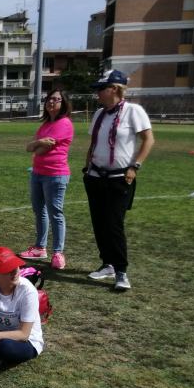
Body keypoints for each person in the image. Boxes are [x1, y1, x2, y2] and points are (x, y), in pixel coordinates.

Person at [84, 70, 155, 291]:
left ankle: (121, 270)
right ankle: (107, 264)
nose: (97, 94)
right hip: (95, 177)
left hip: (119, 178)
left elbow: (148, 139)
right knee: (99, 223)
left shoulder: (134, 111)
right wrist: (87, 167)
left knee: (114, 224)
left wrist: (135, 166)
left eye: (101, 89)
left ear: (114, 89)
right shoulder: (99, 114)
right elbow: (94, 143)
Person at [19, 89, 74, 270]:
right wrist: (38, 143)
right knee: (39, 210)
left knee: (55, 213)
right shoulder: (44, 125)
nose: (52, 102)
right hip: (37, 173)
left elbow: (41, 150)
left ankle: (58, 252)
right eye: (50, 98)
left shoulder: (64, 123)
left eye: (57, 99)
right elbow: (30, 148)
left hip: (55, 174)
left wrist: (37, 145)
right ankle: (40, 247)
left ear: (63, 103)